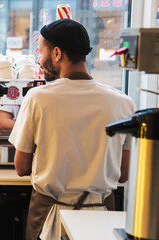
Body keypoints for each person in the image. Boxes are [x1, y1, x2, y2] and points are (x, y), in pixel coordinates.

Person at [8, 19, 135, 240]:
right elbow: (123, 174)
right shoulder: (123, 102)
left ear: (57, 53)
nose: (39, 60)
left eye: (41, 52)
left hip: (49, 219)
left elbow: (21, 167)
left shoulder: (38, 98)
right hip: (102, 220)